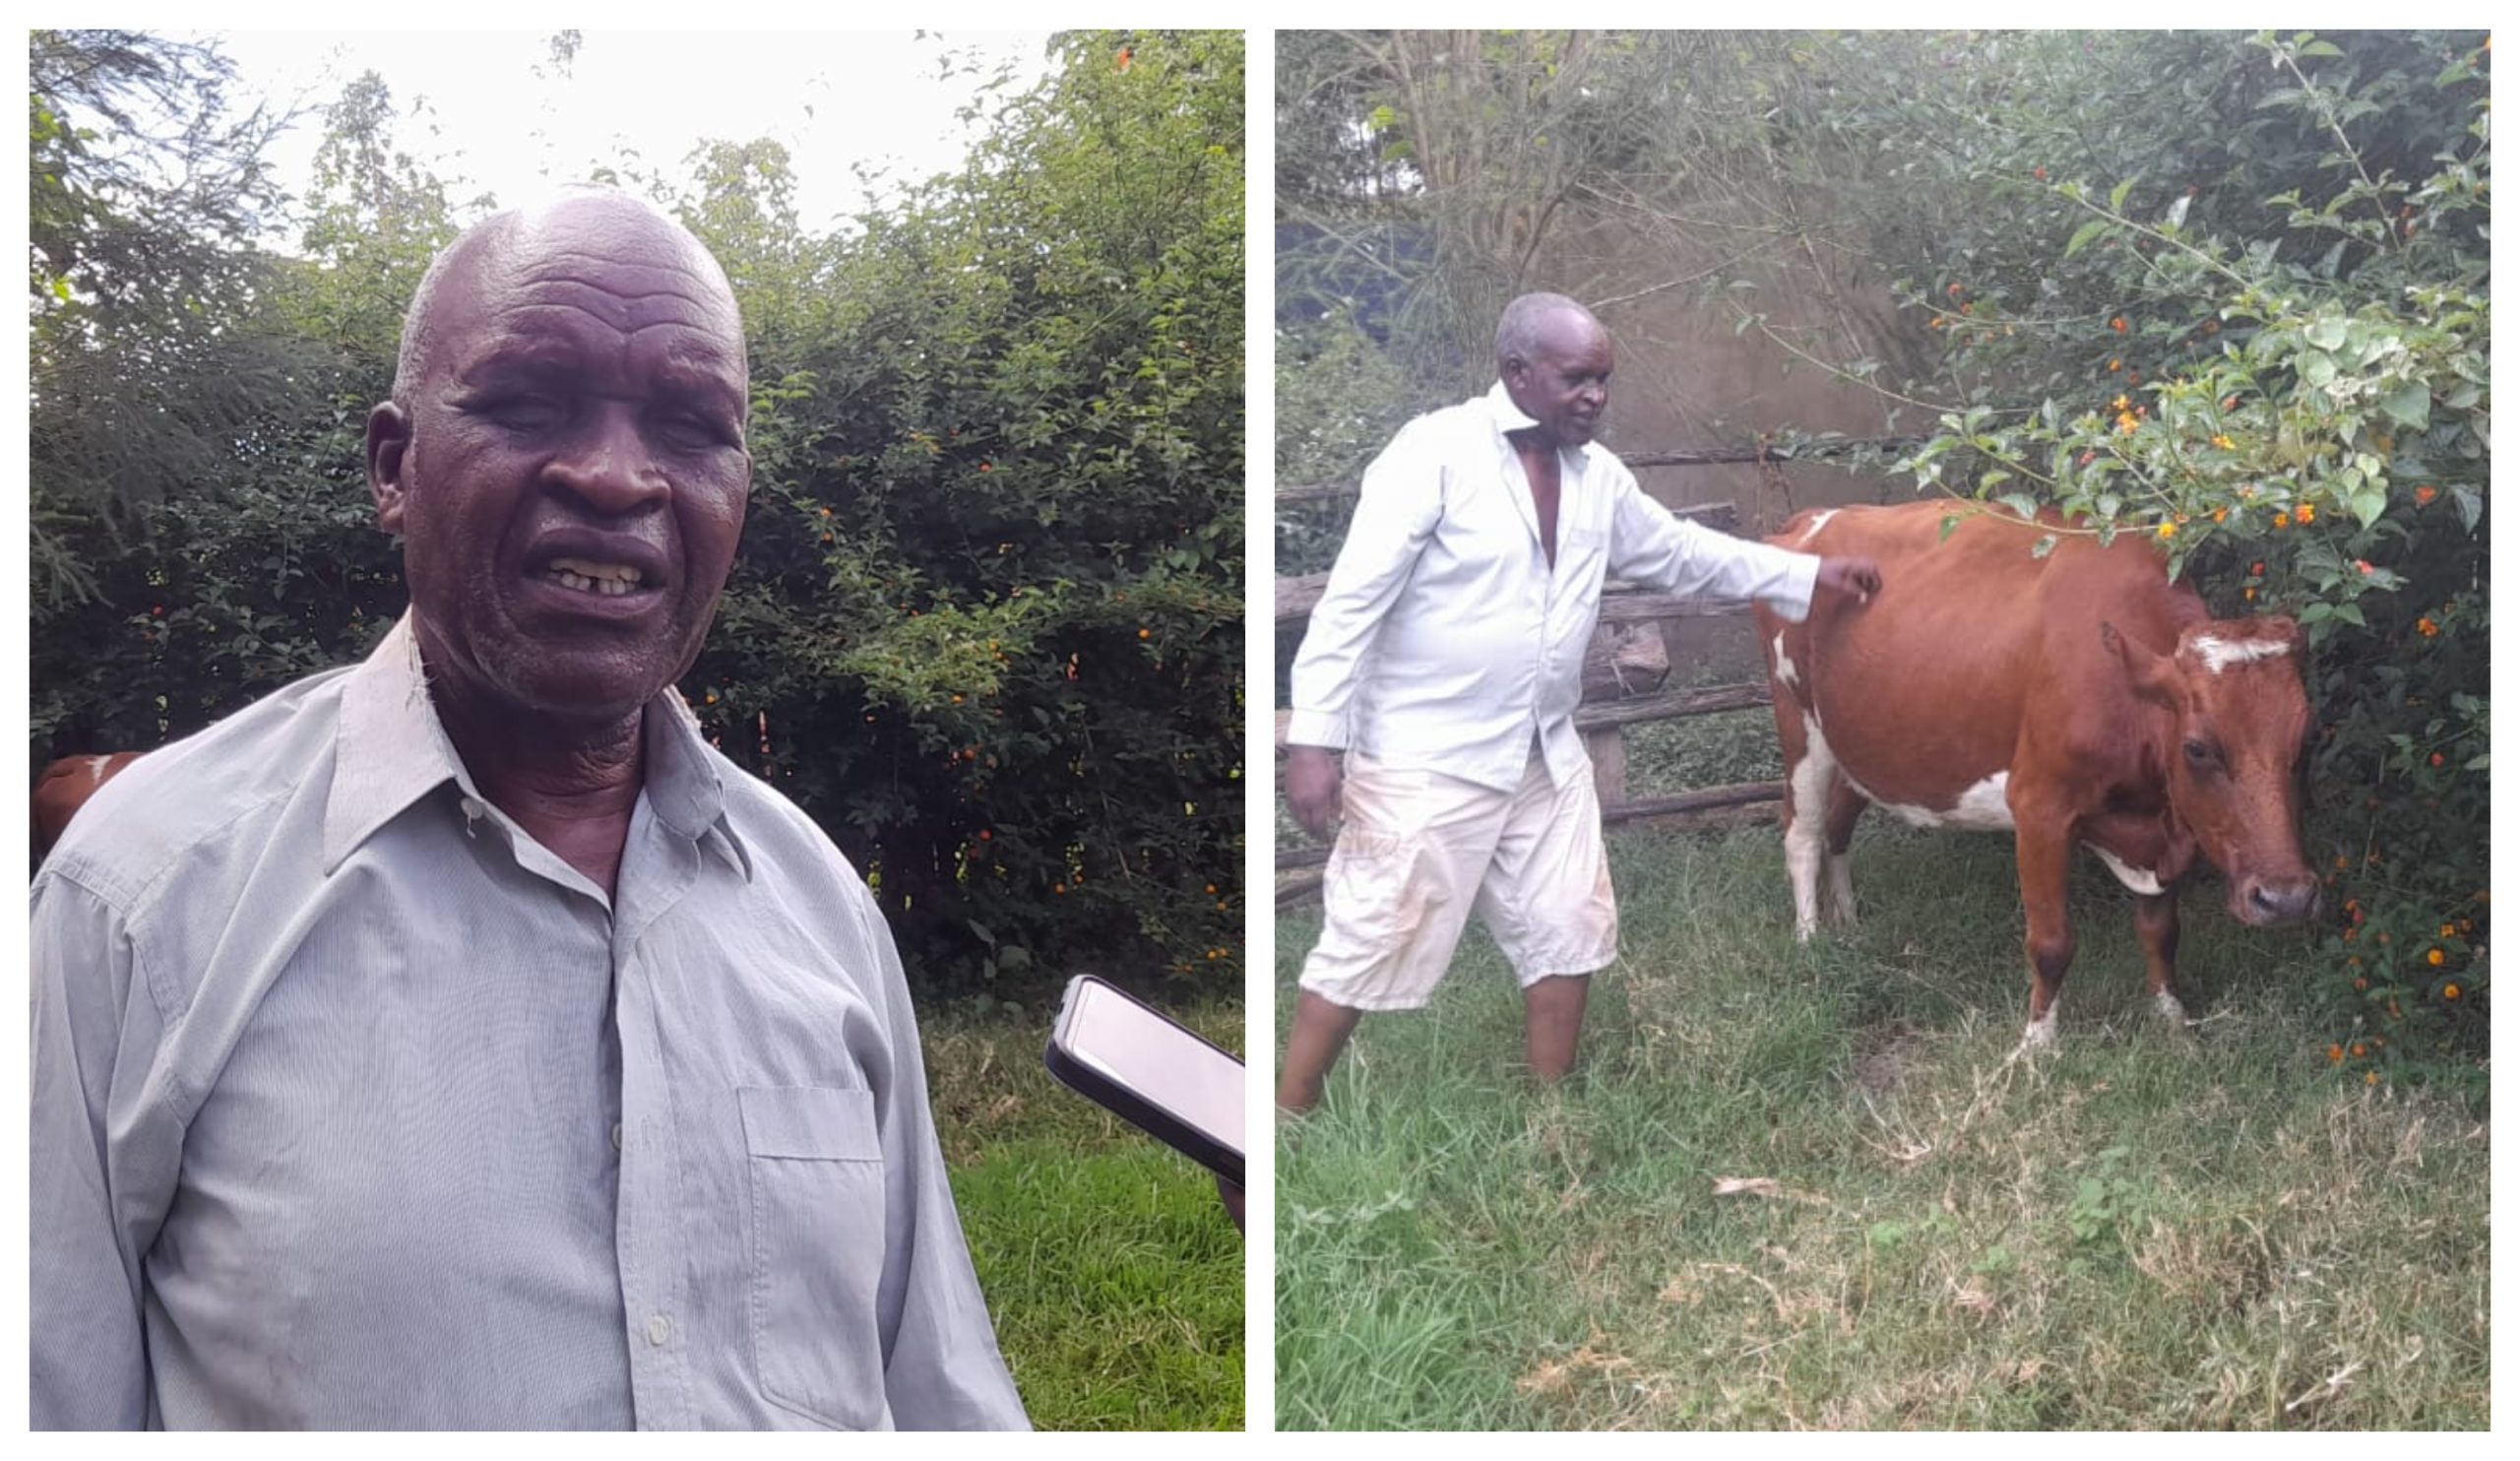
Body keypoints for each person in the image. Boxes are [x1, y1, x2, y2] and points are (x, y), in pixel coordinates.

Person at [30, 193, 1028, 1430]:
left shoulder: (815, 903)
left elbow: (938, 1392)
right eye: (529, 403)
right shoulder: (141, 896)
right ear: (393, 468)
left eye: (689, 426)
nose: (615, 474)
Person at [1278, 293, 1882, 1114]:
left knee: (1567, 927)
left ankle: (1554, 1114)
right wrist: (1314, 742)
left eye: (1603, 380)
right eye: (1577, 379)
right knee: (1370, 934)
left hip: (1542, 752)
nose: (1595, 396)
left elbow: (1681, 553)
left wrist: (1807, 575)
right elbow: (1352, 604)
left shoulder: (1597, 478)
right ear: (1517, 372)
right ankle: (1288, 1115)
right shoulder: (1435, 454)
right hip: (1426, 754)